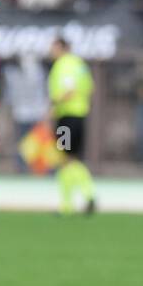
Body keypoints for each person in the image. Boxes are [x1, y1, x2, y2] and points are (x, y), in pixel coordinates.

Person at [47, 36, 96, 216]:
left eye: (53, 47)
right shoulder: (79, 64)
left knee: (65, 159)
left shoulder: (64, 65)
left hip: (66, 116)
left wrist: (53, 106)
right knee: (71, 158)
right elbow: (91, 87)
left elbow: (69, 90)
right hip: (80, 115)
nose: (51, 51)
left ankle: (82, 196)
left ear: (60, 47)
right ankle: (78, 199)